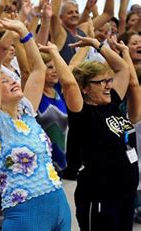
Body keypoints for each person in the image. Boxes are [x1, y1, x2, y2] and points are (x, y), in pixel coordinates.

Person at [0, 18, 80, 230]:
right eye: (5, 81)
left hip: (57, 201)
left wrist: (24, 32)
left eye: (12, 79)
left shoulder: (27, 111)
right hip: (25, 209)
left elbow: (38, 70)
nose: (13, 80)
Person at [65, 35, 139, 231]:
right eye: (102, 82)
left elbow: (123, 69)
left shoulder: (112, 103)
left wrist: (97, 45)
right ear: (85, 88)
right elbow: (69, 83)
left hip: (126, 194)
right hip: (100, 196)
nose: (109, 85)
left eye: (109, 80)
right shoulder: (83, 113)